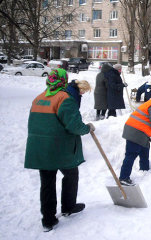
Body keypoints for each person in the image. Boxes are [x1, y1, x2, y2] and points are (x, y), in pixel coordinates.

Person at [24, 68, 95, 232]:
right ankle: (68, 207)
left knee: (47, 183)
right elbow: (74, 126)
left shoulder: (39, 98)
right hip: (60, 148)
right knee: (71, 174)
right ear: (63, 80)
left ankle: (48, 220)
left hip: (40, 148)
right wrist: (88, 128)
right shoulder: (65, 98)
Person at [119, 88, 151, 186]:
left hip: (138, 131)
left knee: (144, 149)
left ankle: (145, 170)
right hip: (135, 131)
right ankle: (124, 178)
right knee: (131, 155)